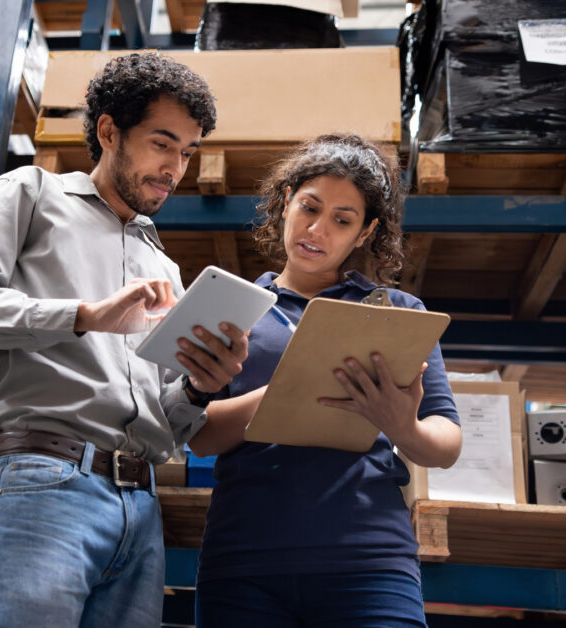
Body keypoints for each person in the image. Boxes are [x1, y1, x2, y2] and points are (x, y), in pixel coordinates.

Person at [0, 52, 249, 628]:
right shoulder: (31, 194)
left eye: (187, 153)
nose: (175, 168)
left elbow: (166, 421)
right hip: (44, 481)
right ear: (108, 131)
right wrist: (82, 315)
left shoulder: (163, 268)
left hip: (140, 506)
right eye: (162, 143)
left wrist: (198, 389)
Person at [188, 133, 463, 627]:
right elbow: (199, 436)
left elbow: (444, 443)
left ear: (365, 233)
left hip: (371, 563)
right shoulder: (231, 308)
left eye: (342, 220)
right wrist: (285, 393)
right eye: (309, 208)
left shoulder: (399, 314)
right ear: (284, 203)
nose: (318, 229)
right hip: (245, 562)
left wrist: (403, 427)